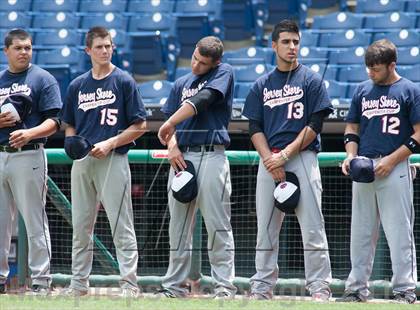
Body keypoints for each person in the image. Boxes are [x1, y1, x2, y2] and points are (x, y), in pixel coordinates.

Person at [242, 20, 333, 301]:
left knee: (312, 227)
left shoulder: (311, 79)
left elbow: (315, 123)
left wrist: (285, 154)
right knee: (266, 228)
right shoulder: (262, 84)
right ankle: (262, 287)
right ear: (274, 45)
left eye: (296, 42)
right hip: (268, 161)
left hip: (301, 158)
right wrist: (271, 158)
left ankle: (320, 287)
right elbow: (254, 127)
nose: (292, 47)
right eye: (286, 42)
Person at [60, 27, 147, 298]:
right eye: (99, 47)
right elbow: (69, 125)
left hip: (113, 159)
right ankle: (78, 284)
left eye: (108, 46)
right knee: (81, 225)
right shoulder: (77, 85)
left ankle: (129, 285)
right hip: (84, 162)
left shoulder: (123, 81)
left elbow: (141, 126)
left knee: (121, 225)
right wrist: (73, 144)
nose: (105, 50)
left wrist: (110, 143)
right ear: (88, 51)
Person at [338, 39, 419, 304]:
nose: (371, 73)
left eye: (377, 68)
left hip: (394, 167)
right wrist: (350, 156)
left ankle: (405, 289)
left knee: (399, 231)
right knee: (360, 232)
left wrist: (392, 160)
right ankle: (356, 288)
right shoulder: (362, 90)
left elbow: (419, 134)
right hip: (364, 166)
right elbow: (351, 127)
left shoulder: (409, 90)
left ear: (392, 65)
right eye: (369, 68)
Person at [157, 36, 236, 298]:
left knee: (217, 226)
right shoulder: (181, 82)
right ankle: (174, 287)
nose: (196, 66)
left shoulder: (223, 73)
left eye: (203, 64)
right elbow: (173, 124)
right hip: (182, 159)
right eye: (195, 58)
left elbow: (202, 100)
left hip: (211, 154)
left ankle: (224, 287)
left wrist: (170, 125)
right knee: (177, 228)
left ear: (215, 62)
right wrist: (172, 145)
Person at [0, 29, 62, 295]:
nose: (24, 52)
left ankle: (41, 280)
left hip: (29, 154)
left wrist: (30, 132)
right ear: (6, 51)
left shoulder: (42, 78)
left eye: (28, 47)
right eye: (18, 48)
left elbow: (55, 121)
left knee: (35, 220)